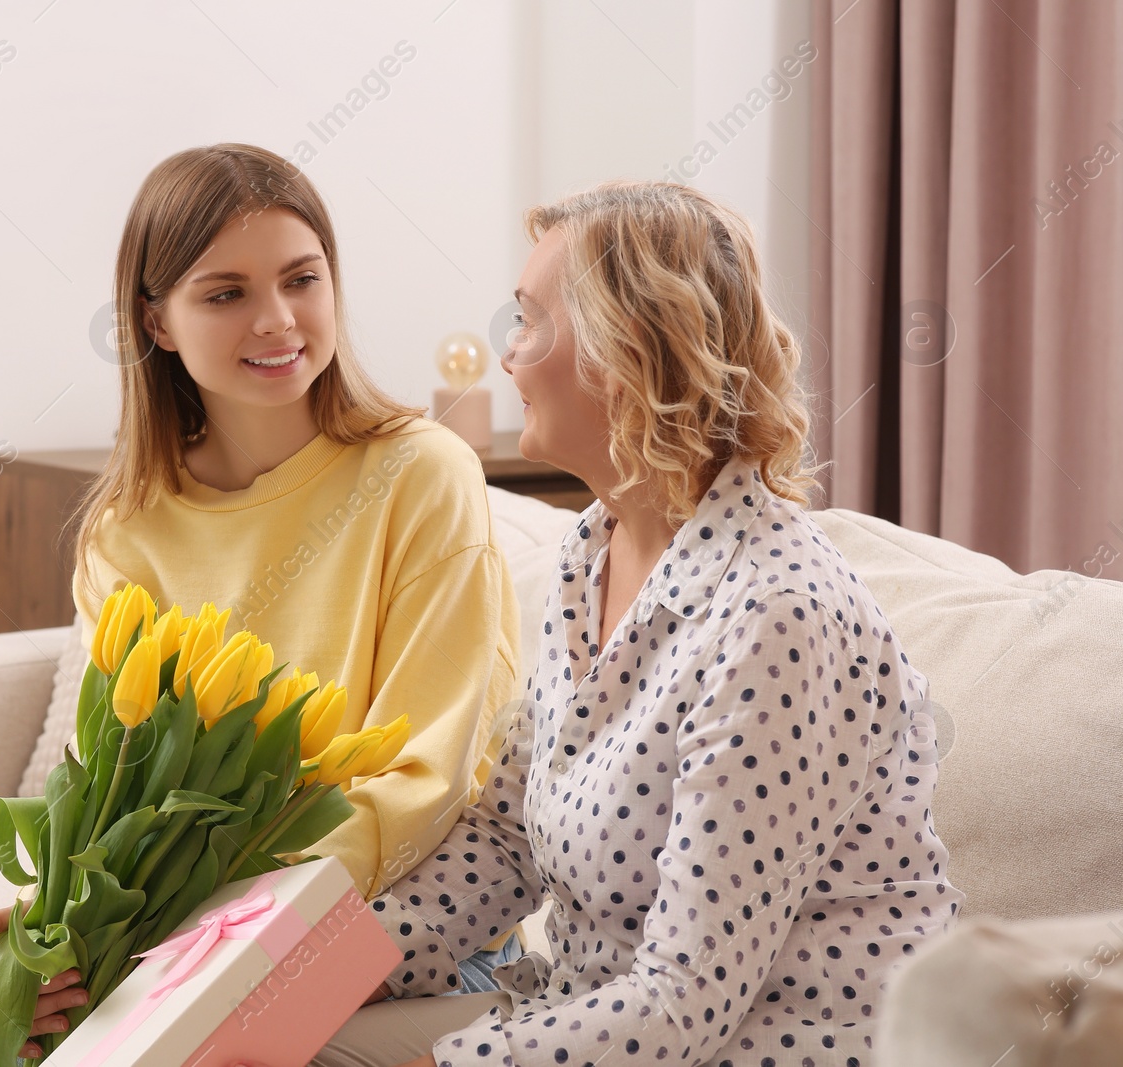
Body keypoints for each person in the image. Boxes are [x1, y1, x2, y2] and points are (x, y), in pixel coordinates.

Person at [310, 180, 965, 1067]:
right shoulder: (592, 554)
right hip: (586, 1015)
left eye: (530, 322)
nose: (508, 357)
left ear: (628, 352)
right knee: (278, 1036)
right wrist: (302, 977)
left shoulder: (775, 616)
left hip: (766, 1047)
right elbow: (504, 844)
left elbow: (681, 1005)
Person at [0, 144, 523, 1064]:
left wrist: (219, 923)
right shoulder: (127, 530)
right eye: (225, 294)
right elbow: (111, 783)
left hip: (394, 911)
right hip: (202, 925)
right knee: (10, 1038)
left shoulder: (420, 474)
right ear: (157, 321)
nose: (278, 319)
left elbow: (425, 773)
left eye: (303, 279)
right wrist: (61, 918)